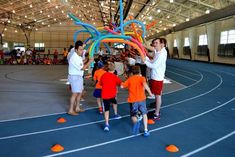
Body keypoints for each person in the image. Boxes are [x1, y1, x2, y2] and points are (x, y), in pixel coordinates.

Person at [121, 66, 154, 136]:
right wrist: (150, 93)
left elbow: (122, 86)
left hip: (133, 101)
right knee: (144, 114)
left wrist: (123, 81)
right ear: (139, 72)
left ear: (132, 73)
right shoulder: (142, 78)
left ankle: (136, 122)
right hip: (142, 99)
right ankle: (146, 130)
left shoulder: (130, 79)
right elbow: (145, 85)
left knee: (133, 115)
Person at [142, 38, 167, 120]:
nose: (154, 44)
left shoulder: (162, 54)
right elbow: (152, 61)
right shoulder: (158, 52)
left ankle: (156, 114)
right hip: (155, 76)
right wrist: (146, 59)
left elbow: (154, 66)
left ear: (161, 44)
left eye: (156, 43)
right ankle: (156, 108)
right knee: (157, 95)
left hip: (157, 78)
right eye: (154, 43)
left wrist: (145, 61)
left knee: (158, 95)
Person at [67, 40, 93, 115]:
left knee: (79, 93)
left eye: (82, 49)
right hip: (74, 77)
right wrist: (89, 62)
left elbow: (82, 61)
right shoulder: (74, 57)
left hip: (79, 77)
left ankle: (77, 107)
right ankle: (71, 110)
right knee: (74, 94)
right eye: (80, 49)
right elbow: (82, 68)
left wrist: (88, 59)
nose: (82, 51)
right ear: (76, 49)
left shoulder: (78, 56)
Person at [100, 62, 122, 132]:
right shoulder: (115, 77)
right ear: (114, 69)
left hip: (105, 95)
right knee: (114, 103)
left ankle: (107, 124)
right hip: (112, 94)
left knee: (107, 109)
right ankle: (115, 114)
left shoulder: (103, 75)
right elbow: (120, 84)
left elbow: (101, 83)